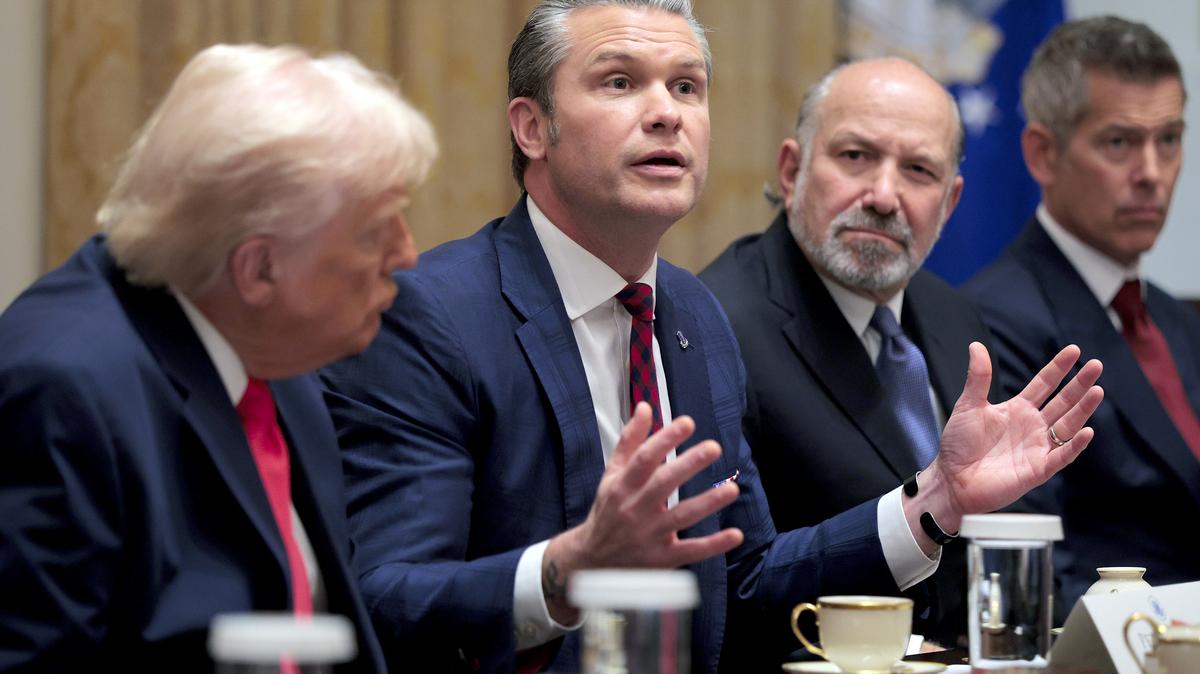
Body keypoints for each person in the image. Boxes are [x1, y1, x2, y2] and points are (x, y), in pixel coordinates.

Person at [320, 2, 1103, 671]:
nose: (666, 112)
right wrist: (567, 569)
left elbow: (748, 583)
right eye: (620, 82)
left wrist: (935, 499)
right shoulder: (431, 314)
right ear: (532, 126)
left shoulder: (691, 315)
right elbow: (384, 602)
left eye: (687, 87)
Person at [0, 43, 437, 671]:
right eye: (377, 229)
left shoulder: (275, 354)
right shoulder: (62, 391)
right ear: (259, 269)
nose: (408, 253)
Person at [699, 58, 989, 647]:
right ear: (791, 169)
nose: (884, 196)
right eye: (855, 156)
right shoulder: (716, 325)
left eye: (918, 170)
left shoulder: (955, 317)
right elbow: (732, 590)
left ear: (950, 202)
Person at [964, 16, 1199, 621]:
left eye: (1168, 139)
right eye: (1119, 142)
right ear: (1043, 153)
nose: (1152, 172)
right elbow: (1034, 577)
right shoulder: (997, 319)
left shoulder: (1174, 319)